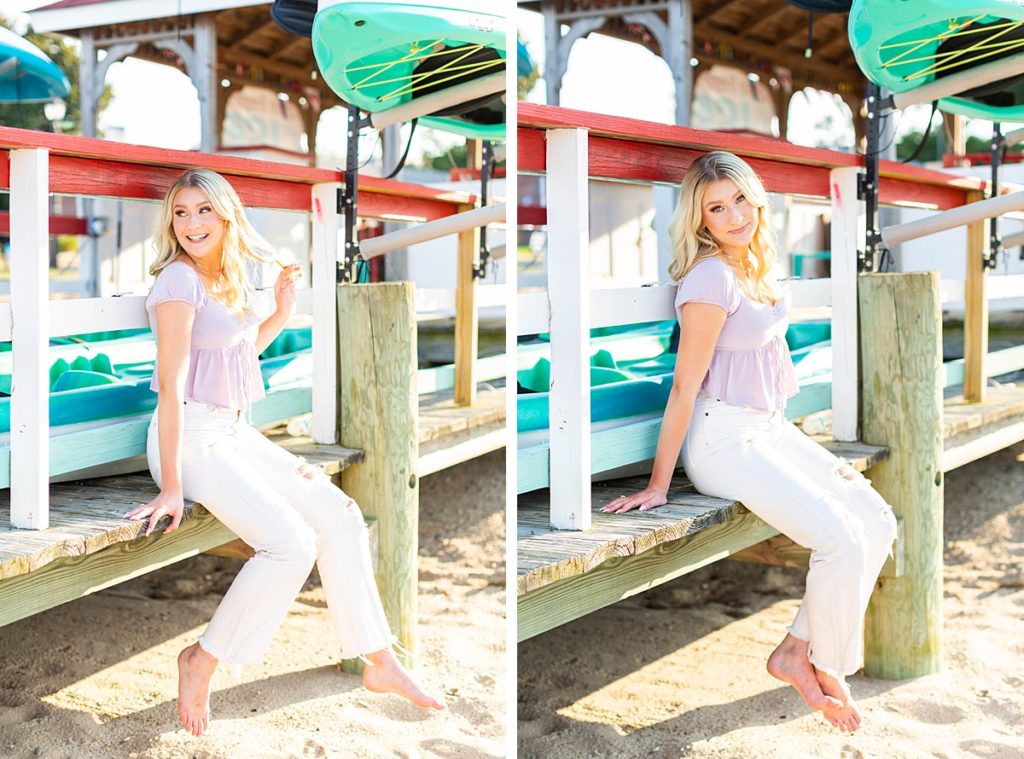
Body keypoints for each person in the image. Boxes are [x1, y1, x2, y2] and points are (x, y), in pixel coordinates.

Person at [124, 169, 443, 738]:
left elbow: (235, 355)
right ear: (171, 222)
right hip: (188, 440)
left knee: (340, 516)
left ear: (226, 216)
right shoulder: (178, 282)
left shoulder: (222, 276)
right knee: (289, 544)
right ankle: (201, 660)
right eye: (181, 212)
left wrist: (279, 311)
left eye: (204, 211)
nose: (192, 223)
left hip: (230, 432)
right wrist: (171, 485)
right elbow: (171, 387)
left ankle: (379, 658)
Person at [601, 152, 898, 734]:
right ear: (701, 219)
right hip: (723, 441)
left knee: (877, 519)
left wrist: (800, 448)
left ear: (756, 197)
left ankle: (793, 651)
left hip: (769, 429)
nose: (734, 215)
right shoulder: (711, 278)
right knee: (839, 537)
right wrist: (659, 484)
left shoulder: (758, 261)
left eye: (740, 199)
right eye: (717, 207)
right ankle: (827, 664)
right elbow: (686, 385)